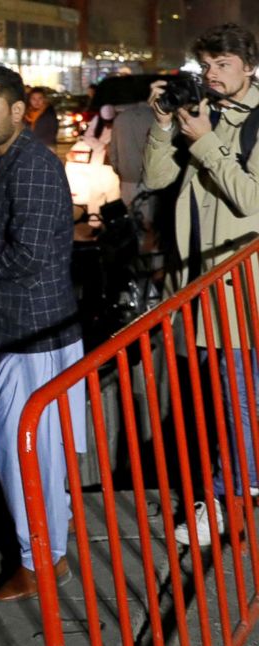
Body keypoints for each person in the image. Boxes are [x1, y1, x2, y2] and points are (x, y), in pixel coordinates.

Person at [0, 65, 86, 601]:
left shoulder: (30, 164)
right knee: (32, 451)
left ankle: (39, 562)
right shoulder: (12, 158)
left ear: (17, 111)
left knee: (26, 454)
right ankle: (46, 557)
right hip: (21, 327)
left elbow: (32, 252)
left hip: (30, 331)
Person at [144, 23, 259, 546]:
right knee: (226, 398)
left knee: (234, 398)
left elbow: (252, 202)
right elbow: (157, 179)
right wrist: (166, 124)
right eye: (206, 66)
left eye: (224, 65)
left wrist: (207, 142)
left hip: (241, 290)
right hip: (201, 284)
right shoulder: (203, 114)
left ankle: (227, 496)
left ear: (249, 66)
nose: (213, 75)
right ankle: (235, 487)